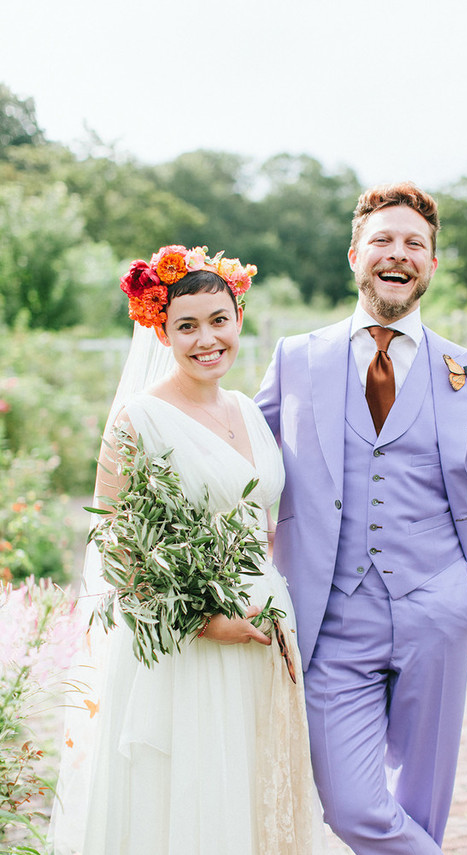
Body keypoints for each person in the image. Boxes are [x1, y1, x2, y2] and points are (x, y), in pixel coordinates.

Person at [255, 182, 467, 854]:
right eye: (383, 239)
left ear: (431, 264)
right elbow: (246, 467)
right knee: (351, 807)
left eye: (414, 243)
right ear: (355, 254)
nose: (397, 253)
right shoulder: (296, 357)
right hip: (332, 624)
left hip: (439, 617)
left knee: (423, 809)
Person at [49, 244, 323, 855]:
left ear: (238, 319)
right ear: (162, 332)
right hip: (187, 646)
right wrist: (203, 621)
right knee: (193, 802)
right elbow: (117, 544)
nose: (207, 339)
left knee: (254, 791)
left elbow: (267, 524)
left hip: (262, 631)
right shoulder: (136, 420)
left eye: (218, 320)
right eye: (187, 326)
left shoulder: (250, 413)